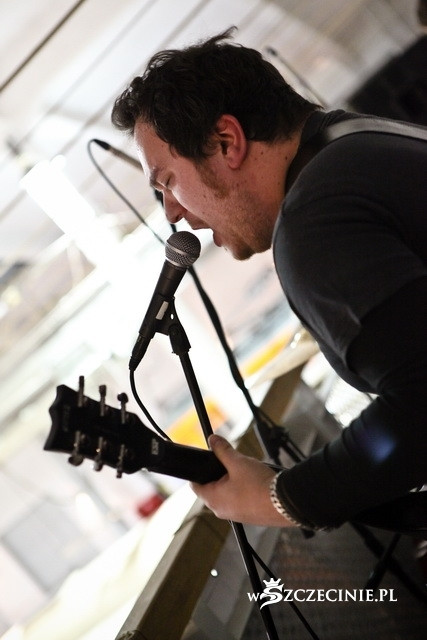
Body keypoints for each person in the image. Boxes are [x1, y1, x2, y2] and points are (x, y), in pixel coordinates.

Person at [111, 28, 427, 532]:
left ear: (226, 142)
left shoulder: (313, 222)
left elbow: (419, 404)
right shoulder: (356, 138)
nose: (171, 213)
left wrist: (284, 498)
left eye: (168, 182)